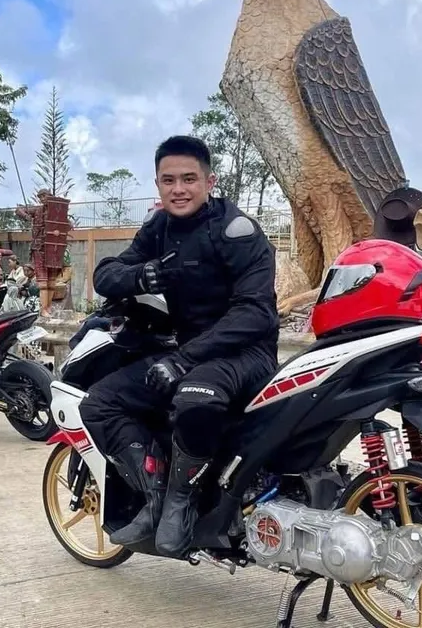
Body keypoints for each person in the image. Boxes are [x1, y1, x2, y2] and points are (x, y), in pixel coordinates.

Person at [79, 135, 279, 557]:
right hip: (187, 353)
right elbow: (106, 275)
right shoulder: (160, 227)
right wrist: (140, 276)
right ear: (158, 184)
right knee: (98, 404)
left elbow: (255, 314)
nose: (179, 189)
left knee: (194, 398)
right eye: (168, 180)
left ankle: (180, 501)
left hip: (245, 354)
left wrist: (183, 358)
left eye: (189, 179)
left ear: (210, 181)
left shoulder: (236, 231)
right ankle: (154, 496)